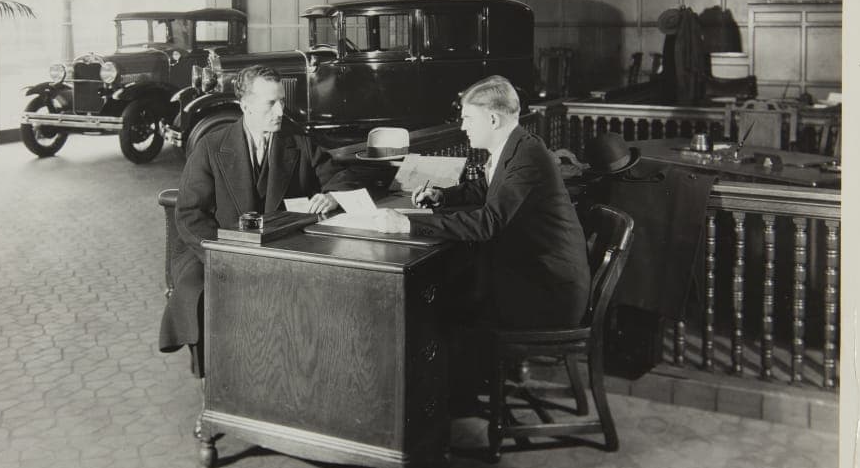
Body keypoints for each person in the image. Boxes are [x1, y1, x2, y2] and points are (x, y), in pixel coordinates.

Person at [158, 65, 352, 375]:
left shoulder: (297, 142)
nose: (280, 111)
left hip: (278, 249)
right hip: (217, 249)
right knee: (201, 293)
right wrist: (225, 255)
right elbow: (190, 215)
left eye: (282, 101)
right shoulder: (211, 147)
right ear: (245, 106)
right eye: (270, 103)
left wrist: (333, 197)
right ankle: (215, 378)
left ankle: (285, 373)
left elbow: (341, 178)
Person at [371, 75, 590, 331]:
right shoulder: (518, 146)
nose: (463, 127)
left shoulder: (527, 157)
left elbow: (489, 223)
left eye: (468, 118)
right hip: (536, 273)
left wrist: (407, 224)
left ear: (493, 120)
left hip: (548, 293)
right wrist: (443, 196)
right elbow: (488, 186)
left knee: (444, 311)